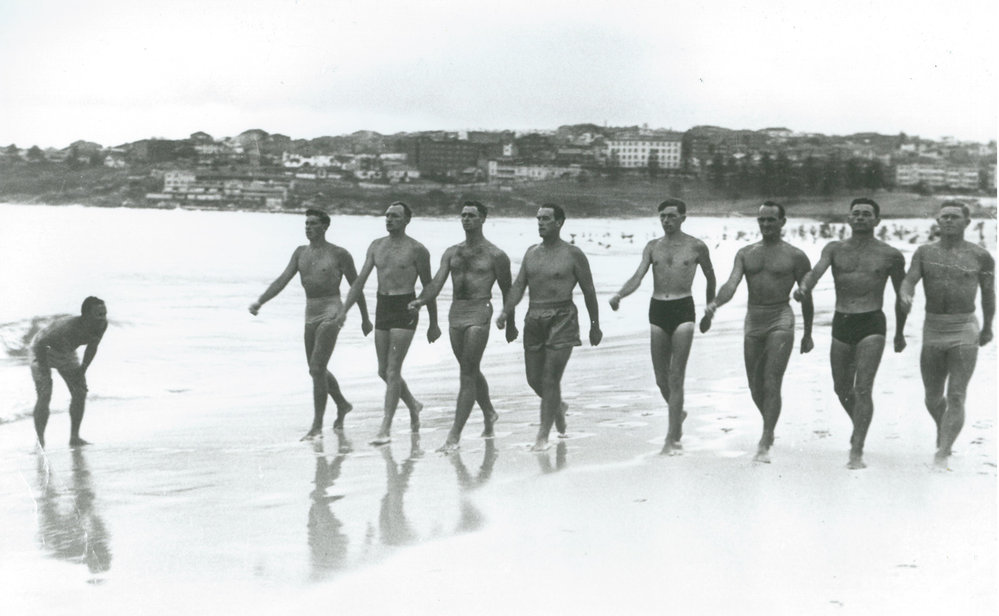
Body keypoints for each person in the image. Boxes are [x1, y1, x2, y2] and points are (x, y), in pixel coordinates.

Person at [794, 198, 907, 469]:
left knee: (863, 387)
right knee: (841, 388)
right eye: (856, 213)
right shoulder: (834, 249)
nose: (860, 218)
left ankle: (856, 449)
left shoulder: (890, 254)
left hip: (872, 322)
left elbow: (901, 296)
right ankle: (860, 425)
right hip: (842, 321)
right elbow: (815, 273)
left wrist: (900, 332)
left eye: (867, 214)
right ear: (848, 218)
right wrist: (804, 287)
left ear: (877, 220)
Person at [702, 202, 813, 462]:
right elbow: (731, 283)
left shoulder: (796, 256)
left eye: (771, 220)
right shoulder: (745, 253)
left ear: (782, 222)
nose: (765, 225)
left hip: (781, 318)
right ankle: (770, 425)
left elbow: (806, 295)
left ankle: (765, 438)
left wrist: (808, 333)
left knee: (771, 380)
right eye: (761, 220)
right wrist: (715, 304)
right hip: (754, 319)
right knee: (754, 385)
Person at [249, 209, 372, 440]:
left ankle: (317, 427)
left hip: (331, 310)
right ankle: (343, 404)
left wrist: (364, 318)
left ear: (325, 227)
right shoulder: (300, 253)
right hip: (310, 311)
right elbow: (282, 280)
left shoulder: (339, 254)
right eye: (306, 223)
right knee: (316, 370)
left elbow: (356, 286)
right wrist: (260, 301)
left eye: (313, 223)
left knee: (317, 367)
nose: (308, 227)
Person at [609, 198, 716, 454]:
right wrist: (619, 295)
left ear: (683, 218)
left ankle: (672, 436)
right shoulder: (652, 247)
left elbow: (711, 277)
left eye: (671, 216)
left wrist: (709, 311)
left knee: (676, 376)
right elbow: (638, 276)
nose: (667, 221)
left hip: (683, 309)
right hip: (658, 309)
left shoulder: (696, 246)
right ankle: (678, 413)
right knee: (660, 379)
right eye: (663, 217)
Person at [408, 201, 516, 453]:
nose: (466, 219)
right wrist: (422, 300)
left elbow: (507, 290)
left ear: (483, 219)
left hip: (480, 310)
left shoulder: (496, 255)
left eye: (471, 216)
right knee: (470, 369)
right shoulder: (452, 252)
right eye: (463, 215)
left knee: (466, 373)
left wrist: (510, 322)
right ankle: (489, 412)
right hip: (456, 312)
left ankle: (454, 436)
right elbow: (436, 282)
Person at [495, 204, 602, 451]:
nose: (540, 223)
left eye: (546, 219)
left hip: (562, 317)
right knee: (534, 379)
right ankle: (558, 406)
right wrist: (505, 311)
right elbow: (519, 286)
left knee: (550, 378)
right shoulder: (531, 253)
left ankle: (542, 435)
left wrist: (595, 325)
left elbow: (589, 290)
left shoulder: (573, 254)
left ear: (559, 222)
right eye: (538, 219)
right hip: (534, 318)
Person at [336, 201, 440, 445]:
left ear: (406, 220)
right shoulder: (376, 246)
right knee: (383, 370)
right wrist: (344, 311)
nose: (389, 219)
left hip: (406, 307)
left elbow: (429, 287)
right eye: (387, 216)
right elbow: (359, 282)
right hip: (383, 305)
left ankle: (386, 428)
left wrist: (433, 322)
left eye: (395, 216)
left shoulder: (417, 250)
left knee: (393, 369)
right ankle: (413, 405)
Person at [900, 201, 994, 468]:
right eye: (944, 217)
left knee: (956, 394)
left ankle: (943, 451)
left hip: (964, 326)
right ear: (937, 222)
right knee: (932, 395)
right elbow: (910, 279)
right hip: (933, 327)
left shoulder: (980, 256)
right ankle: (945, 431)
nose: (949, 221)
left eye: (955, 217)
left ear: (968, 222)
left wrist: (988, 327)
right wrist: (905, 293)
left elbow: (989, 294)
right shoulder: (924, 252)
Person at [29, 296, 108, 448]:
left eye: (104, 313)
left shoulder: (102, 325)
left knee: (80, 391)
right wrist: (45, 370)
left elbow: (92, 346)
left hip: (66, 351)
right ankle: (40, 442)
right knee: (45, 393)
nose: (102, 318)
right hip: (41, 349)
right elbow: (40, 344)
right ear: (85, 316)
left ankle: (74, 437)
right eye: (98, 315)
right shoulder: (66, 328)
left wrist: (82, 369)